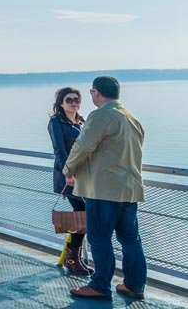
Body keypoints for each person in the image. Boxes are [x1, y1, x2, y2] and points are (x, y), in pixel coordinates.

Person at [65, 76, 147, 301]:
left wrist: (68, 169)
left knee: (100, 238)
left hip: (104, 190)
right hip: (129, 189)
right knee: (131, 240)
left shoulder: (101, 115)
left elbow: (83, 145)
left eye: (91, 92)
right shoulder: (131, 117)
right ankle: (135, 285)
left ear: (96, 93)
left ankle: (100, 286)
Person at [47, 87, 92, 276]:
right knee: (83, 213)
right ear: (61, 102)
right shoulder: (56, 121)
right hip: (69, 176)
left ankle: (73, 256)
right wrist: (68, 173)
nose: (74, 102)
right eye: (69, 99)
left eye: (76, 99)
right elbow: (59, 149)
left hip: (84, 175)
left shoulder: (80, 121)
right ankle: (73, 258)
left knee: (83, 214)